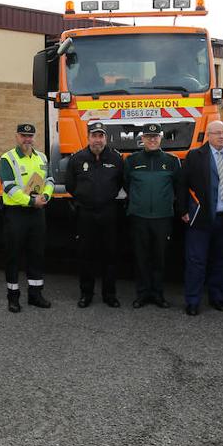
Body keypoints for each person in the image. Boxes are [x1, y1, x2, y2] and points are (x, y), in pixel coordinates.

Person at [177, 120, 223, 316]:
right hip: (200, 218)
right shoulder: (195, 156)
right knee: (196, 261)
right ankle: (193, 300)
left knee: (222, 261)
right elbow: (182, 184)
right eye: (217, 133)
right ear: (208, 135)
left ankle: (217, 297)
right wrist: (183, 210)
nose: (222, 136)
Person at [63, 121, 126, 308]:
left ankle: (110, 294)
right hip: (86, 213)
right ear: (88, 137)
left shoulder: (116, 158)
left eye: (101, 136)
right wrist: (85, 198)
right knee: (85, 255)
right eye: (94, 136)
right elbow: (70, 185)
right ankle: (86, 294)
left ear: (106, 138)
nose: (97, 140)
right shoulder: (77, 159)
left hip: (108, 212)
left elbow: (121, 182)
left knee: (110, 254)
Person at [0, 123, 55, 313]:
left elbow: (49, 180)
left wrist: (45, 196)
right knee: (13, 255)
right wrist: (32, 201)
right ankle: (13, 297)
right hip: (16, 213)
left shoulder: (42, 157)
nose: (27, 139)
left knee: (36, 254)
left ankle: (35, 295)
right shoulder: (8, 158)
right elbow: (9, 187)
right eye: (23, 136)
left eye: (30, 136)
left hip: (37, 213)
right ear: (17, 136)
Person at [124, 123, 181, 308]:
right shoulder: (132, 160)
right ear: (142, 139)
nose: (152, 140)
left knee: (159, 257)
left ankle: (157, 294)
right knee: (141, 257)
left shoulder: (172, 161)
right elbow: (126, 184)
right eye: (148, 137)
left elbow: (178, 187)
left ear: (160, 138)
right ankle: (142, 294)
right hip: (139, 217)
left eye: (155, 136)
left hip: (162, 218)